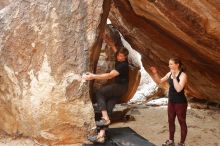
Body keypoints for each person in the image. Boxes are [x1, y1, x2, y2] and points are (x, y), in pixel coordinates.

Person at [83, 46, 129, 143]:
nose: (119, 57)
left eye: (121, 56)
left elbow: (110, 75)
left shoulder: (123, 65)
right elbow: (117, 51)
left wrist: (93, 76)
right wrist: (112, 44)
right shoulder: (120, 58)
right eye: (118, 56)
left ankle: (105, 118)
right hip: (121, 89)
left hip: (120, 87)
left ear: (126, 57)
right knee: (108, 108)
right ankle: (101, 136)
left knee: (100, 93)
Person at [150, 58, 188, 146]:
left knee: (182, 121)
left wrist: (174, 77)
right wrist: (155, 73)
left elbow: (178, 89)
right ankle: (171, 141)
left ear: (177, 64)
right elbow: (159, 81)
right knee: (171, 121)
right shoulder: (169, 73)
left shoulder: (183, 75)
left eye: (171, 64)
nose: (169, 66)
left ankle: (182, 143)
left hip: (180, 102)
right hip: (171, 101)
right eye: (169, 64)